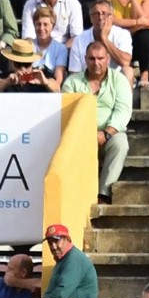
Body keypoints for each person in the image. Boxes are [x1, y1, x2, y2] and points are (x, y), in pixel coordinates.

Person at [61, 38, 132, 200]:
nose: (96, 63)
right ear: (85, 59)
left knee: (121, 143)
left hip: (109, 135)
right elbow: (67, 112)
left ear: (108, 59)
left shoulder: (119, 80)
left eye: (100, 58)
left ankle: (103, 194)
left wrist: (105, 133)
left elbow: (123, 111)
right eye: (92, 58)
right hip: (80, 134)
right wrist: (86, 134)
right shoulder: (72, 82)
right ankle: (77, 195)